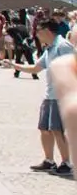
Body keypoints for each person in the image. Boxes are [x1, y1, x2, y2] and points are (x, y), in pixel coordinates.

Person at [13, 18, 74, 176]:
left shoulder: (63, 46)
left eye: (38, 31)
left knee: (56, 129)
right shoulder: (50, 48)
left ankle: (66, 162)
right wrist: (15, 65)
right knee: (44, 129)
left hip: (60, 95)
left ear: (47, 31)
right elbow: (36, 68)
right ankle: (49, 160)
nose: (36, 35)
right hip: (49, 95)